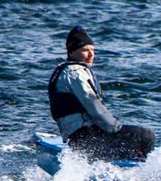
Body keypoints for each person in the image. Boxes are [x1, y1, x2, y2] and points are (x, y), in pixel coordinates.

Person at [48, 26, 155, 161]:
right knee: (146, 136)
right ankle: (137, 169)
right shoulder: (74, 73)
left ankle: (123, 161)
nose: (91, 54)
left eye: (93, 50)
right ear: (72, 52)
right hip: (85, 138)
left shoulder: (64, 71)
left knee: (131, 142)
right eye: (85, 50)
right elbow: (92, 105)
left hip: (78, 137)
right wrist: (115, 128)